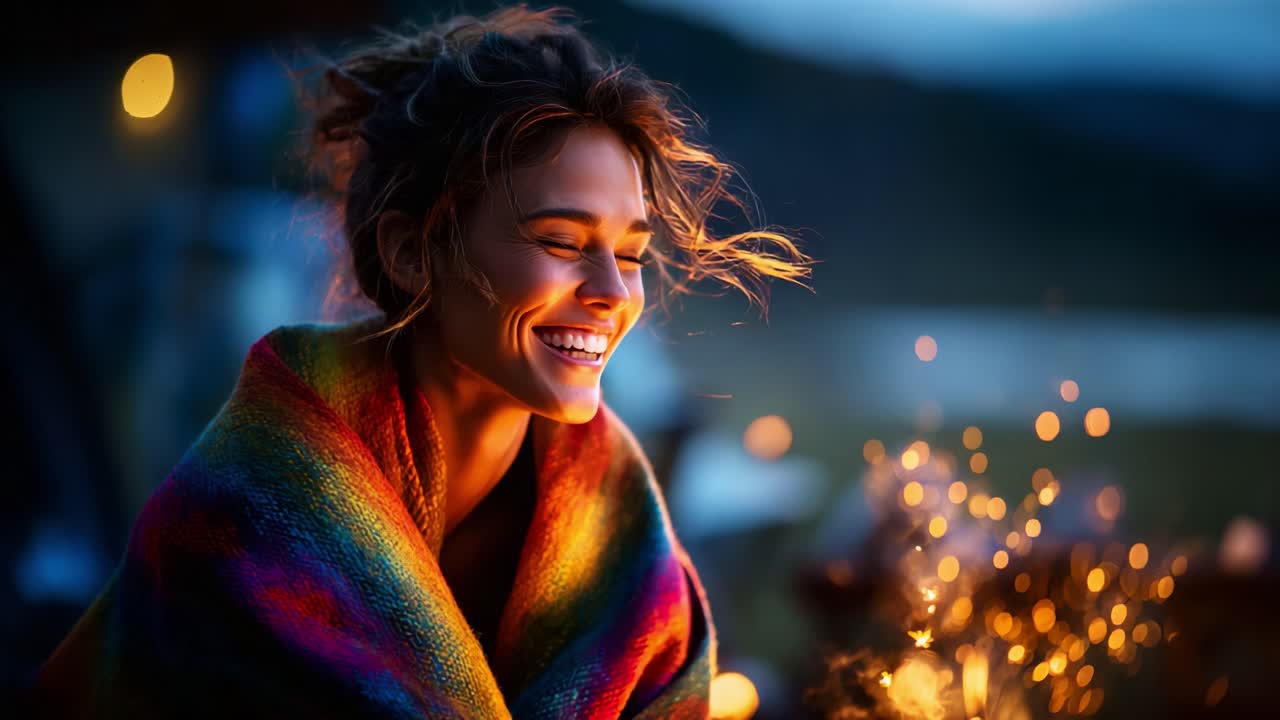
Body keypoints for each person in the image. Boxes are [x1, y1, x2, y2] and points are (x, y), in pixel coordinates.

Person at [28, 4, 814, 718]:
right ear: (412, 251)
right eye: (561, 242)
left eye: (633, 252)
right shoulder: (233, 531)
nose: (612, 292)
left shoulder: (632, 564)